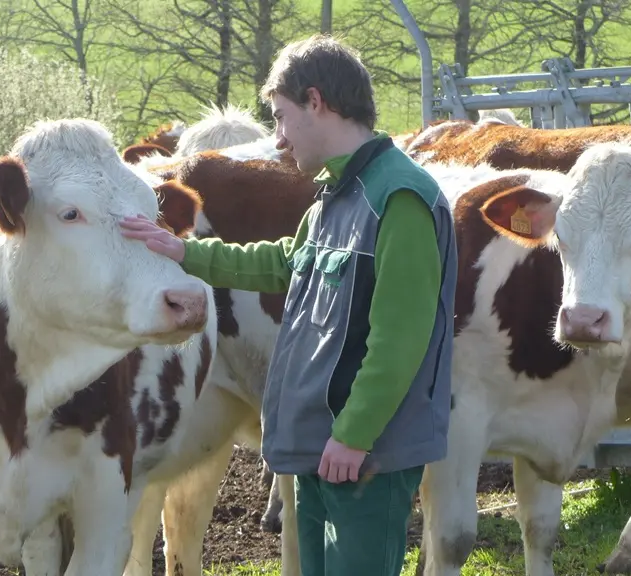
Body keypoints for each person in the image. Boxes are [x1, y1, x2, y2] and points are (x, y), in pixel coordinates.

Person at [120, 34, 457, 576]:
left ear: (316, 102)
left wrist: (353, 436)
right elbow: (283, 263)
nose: (277, 137)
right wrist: (182, 251)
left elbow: (402, 338)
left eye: (280, 116)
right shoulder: (334, 195)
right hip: (319, 445)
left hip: (363, 455)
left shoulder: (400, 198)